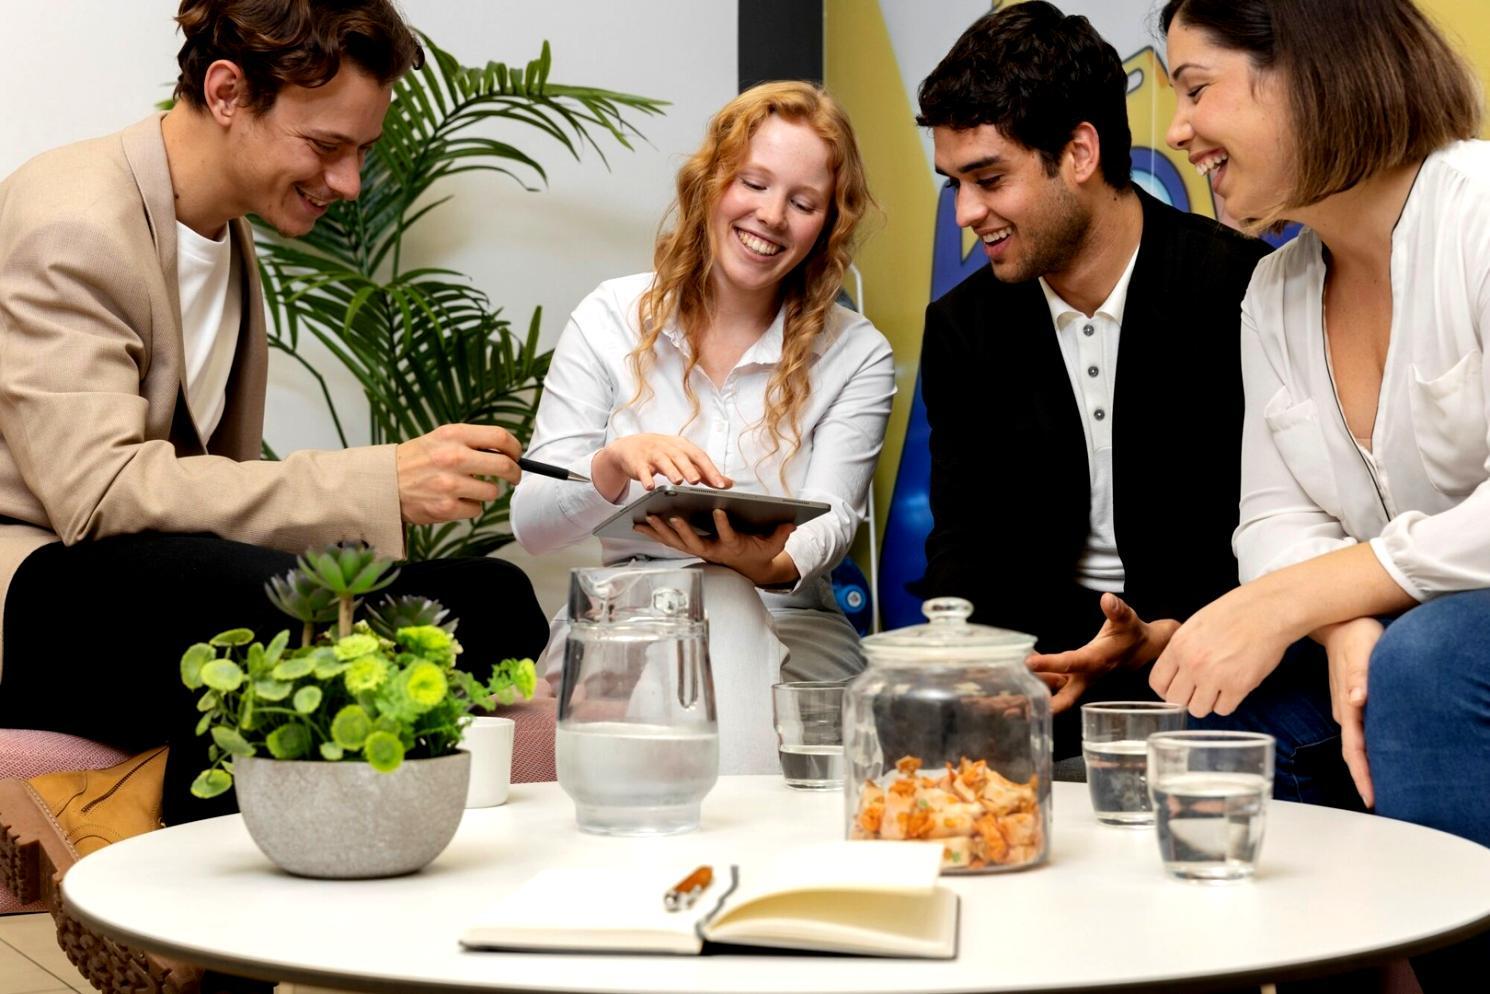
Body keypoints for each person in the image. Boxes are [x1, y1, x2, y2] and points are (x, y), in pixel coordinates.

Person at [0, 2, 547, 986]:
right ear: (226, 94)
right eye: (326, 146)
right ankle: (196, 948)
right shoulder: (75, 213)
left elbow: (198, 491)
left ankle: (151, 827)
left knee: (495, 601)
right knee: (270, 611)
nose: (349, 181)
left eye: (361, 151)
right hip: (42, 588)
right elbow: (96, 491)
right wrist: (374, 480)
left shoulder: (224, 232)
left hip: (159, 575)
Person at [913, 2, 1283, 764]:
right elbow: (962, 538)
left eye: (987, 178)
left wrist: (1156, 638)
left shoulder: (1240, 289)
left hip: (1206, 653)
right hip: (1036, 670)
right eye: (954, 183)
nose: (966, 212)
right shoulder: (963, 325)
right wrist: (977, 660)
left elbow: (1275, 522)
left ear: (1079, 152)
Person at [1156, 0, 1489, 847]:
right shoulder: (1274, 292)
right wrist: (1341, 624)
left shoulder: (1478, 217)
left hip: (1447, 647)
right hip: (1412, 625)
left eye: (1196, 89)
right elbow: (1274, 516)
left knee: (1427, 664)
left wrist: (1308, 597)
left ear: (1311, 68)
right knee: (1224, 699)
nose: (1177, 131)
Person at [511, 81, 895, 775]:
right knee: (699, 598)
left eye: (803, 203)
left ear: (826, 226)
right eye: (753, 183)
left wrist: (762, 565)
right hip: (623, 620)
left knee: (721, 592)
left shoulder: (856, 353)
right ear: (712, 181)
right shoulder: (609, 316)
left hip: (790, 623)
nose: (771, 216)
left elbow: (833, 521)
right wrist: (611, 468)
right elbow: (533, 525)